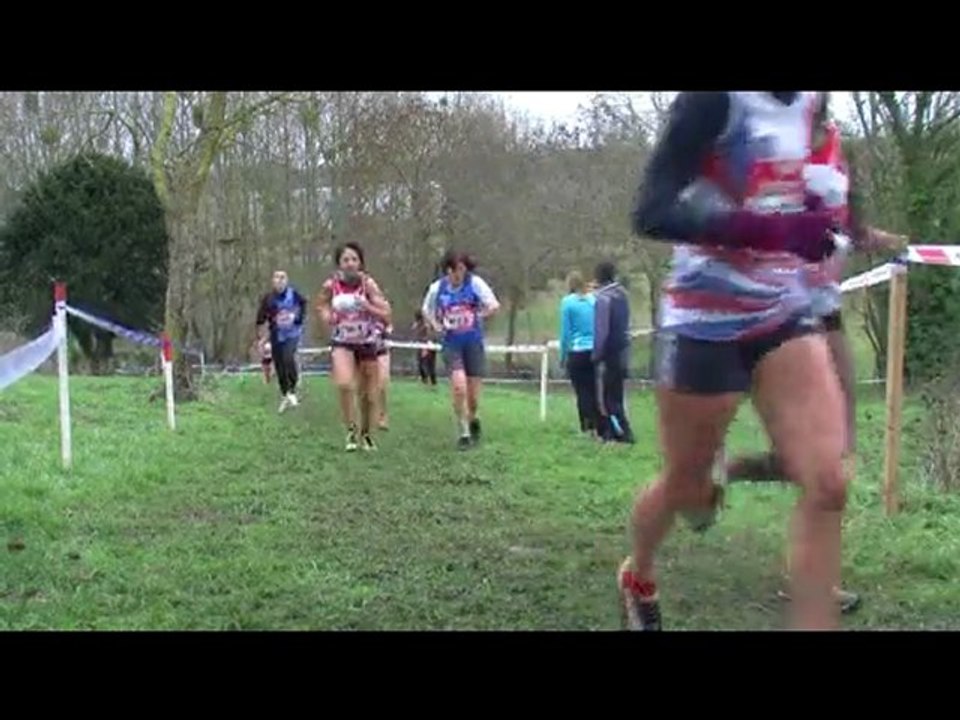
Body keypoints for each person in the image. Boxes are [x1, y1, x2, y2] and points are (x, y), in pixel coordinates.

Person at [621, 91, 849, 631]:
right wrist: (770, 231)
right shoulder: (712, 100)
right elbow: (651, 212)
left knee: (828, 483)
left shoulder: (810, 102)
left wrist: (815, 216)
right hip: (706, 318)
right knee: (688, 487)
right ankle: (638, 575)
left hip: (783, 311)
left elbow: (781, 186)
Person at [723, 96, 909, 614]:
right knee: (818, 455)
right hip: (775, 315)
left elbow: (850, 225)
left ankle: (734, 471)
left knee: (836, 450)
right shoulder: (764, 139)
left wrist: (893, 242)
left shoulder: (837, 144)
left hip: (826, 313)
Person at [316, 242, 392, 452]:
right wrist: (328, 317)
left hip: (367, 343)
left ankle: (366, 434)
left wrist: (367, 306)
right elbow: (321, 305)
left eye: (354, 259)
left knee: (369, 395)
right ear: (339, 264)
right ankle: (351, 429)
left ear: (360, 263)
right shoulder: (331, 285)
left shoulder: (368, 285)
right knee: (344, 384)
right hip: (342, 341)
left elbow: (386, 314)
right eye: (345, 260)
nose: (350, 264)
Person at [422, 251, 500, 450]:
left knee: (473, 397)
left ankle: (473, 418)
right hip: (451, 344)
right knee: (459, 387)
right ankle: (464, 432)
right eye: (453, 270)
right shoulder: (437, 288)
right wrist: (435, 324)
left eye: (461, 270)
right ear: (447, 270)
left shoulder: (475, 284)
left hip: (473, 343)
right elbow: (426, 309)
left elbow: (493, 305)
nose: (457, 274)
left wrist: (479, 315)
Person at [592, 263, 635, 444]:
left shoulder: (603, 298)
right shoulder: (622, 295)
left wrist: (596, 354)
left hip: (609, 353)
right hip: (623, 350)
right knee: (617, 395)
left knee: (606, 397)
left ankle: (618, 433)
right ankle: (621, 431)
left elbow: (602, 330)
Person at [255, 270, 307, 413]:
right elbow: (260, 319)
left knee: (288, 357)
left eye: (282, 277)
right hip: (276, 335)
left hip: (292, 333)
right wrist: (261, 338)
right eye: (277, 277)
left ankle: (293, 389)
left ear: (287, 280)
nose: (279, 280)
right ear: (273, 281)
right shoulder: (268, 299)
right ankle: (285, 394)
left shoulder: (294, 294)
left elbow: (303, 304)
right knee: (279, 365)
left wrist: (297, 318)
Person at [559, 271, 599, 435]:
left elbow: (566, 333)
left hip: (577, 351)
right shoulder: (593, 300)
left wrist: (563, 356)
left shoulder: (567, 303)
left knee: (582, 391)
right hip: (595, 350)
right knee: (594, 389)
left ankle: (586, 426)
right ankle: (598, 425)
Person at [412, 310, 438, 386]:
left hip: (428, 345)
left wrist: (426, 348)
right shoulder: (419, 324)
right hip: (422, 345)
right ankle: (425, 380)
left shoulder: (427, 325)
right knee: (422, 363)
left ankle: (432, 381)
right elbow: (416, 333)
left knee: (429, 364)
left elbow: (429, 335)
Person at [376, 321, 393, 430]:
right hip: (363, 349)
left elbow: (388, 328)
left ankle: (382, 415)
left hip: (381, 350)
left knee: (382, 383)